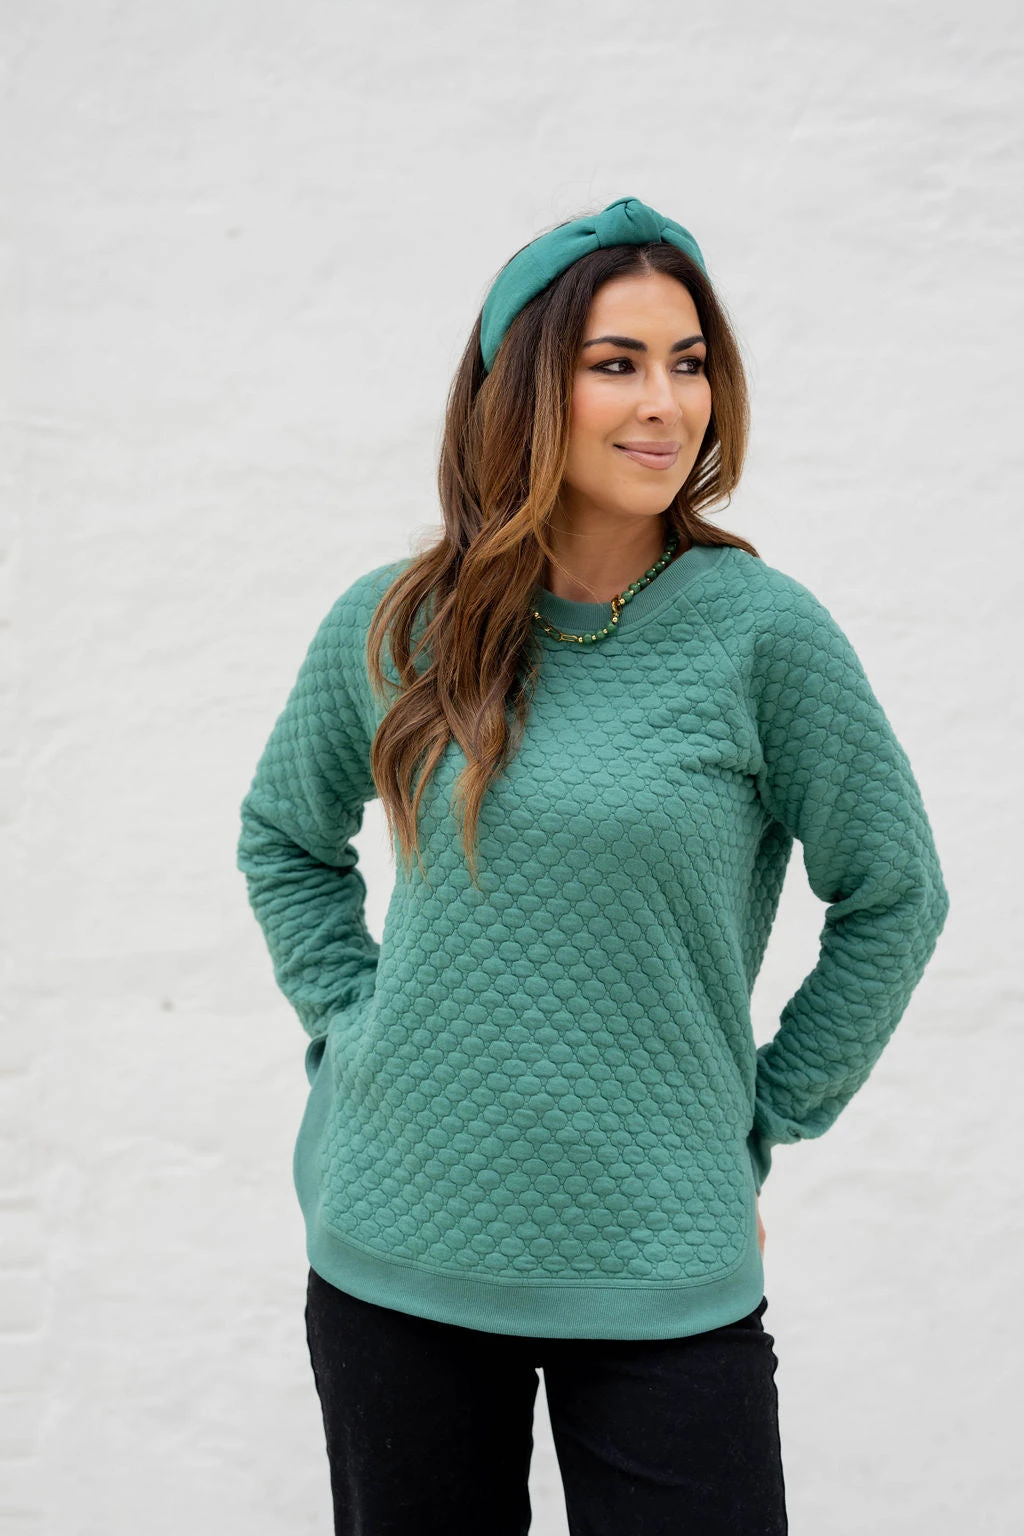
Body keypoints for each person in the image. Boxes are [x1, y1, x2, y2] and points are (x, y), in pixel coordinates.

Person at [236, 194, 950, 1535]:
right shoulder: (397, 623)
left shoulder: (763, 636)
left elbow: (896, 893)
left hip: (662, 1253)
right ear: (524, 390)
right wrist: (354, 1018)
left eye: (689, 363)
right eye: (616, 363)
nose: (664, 403)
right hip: (399, 1239)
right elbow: (285, 835)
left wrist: (763, 1112)